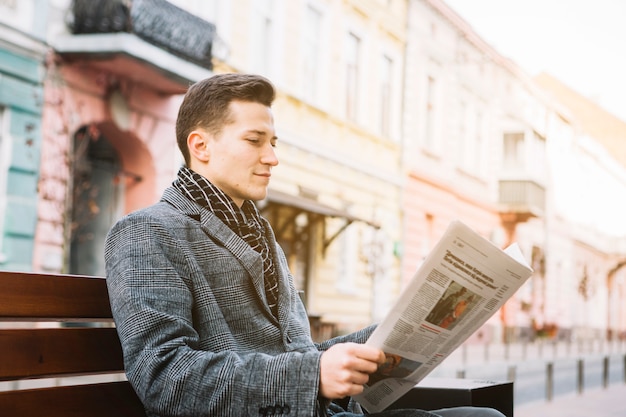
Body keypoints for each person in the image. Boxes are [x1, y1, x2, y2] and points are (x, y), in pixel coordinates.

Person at [104, 73, 505, 417]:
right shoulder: (147, 232)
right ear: (201, 146)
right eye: (255, 140)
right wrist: (313, 375)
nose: (272, 157)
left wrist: (390, 336)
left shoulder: (258, 232)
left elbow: (296, 352)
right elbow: (164, 377)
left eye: (274, 142)